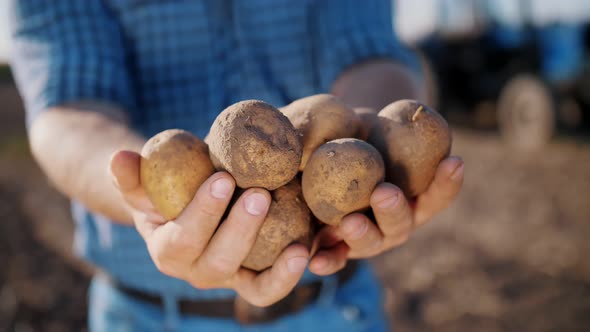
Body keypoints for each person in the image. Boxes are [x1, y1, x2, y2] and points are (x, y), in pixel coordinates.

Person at [9, 0, 464, 331]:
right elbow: (65, 107)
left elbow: (370, 50)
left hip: (335, 303)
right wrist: (141, 198)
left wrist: (378, 141)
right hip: (145, 317)